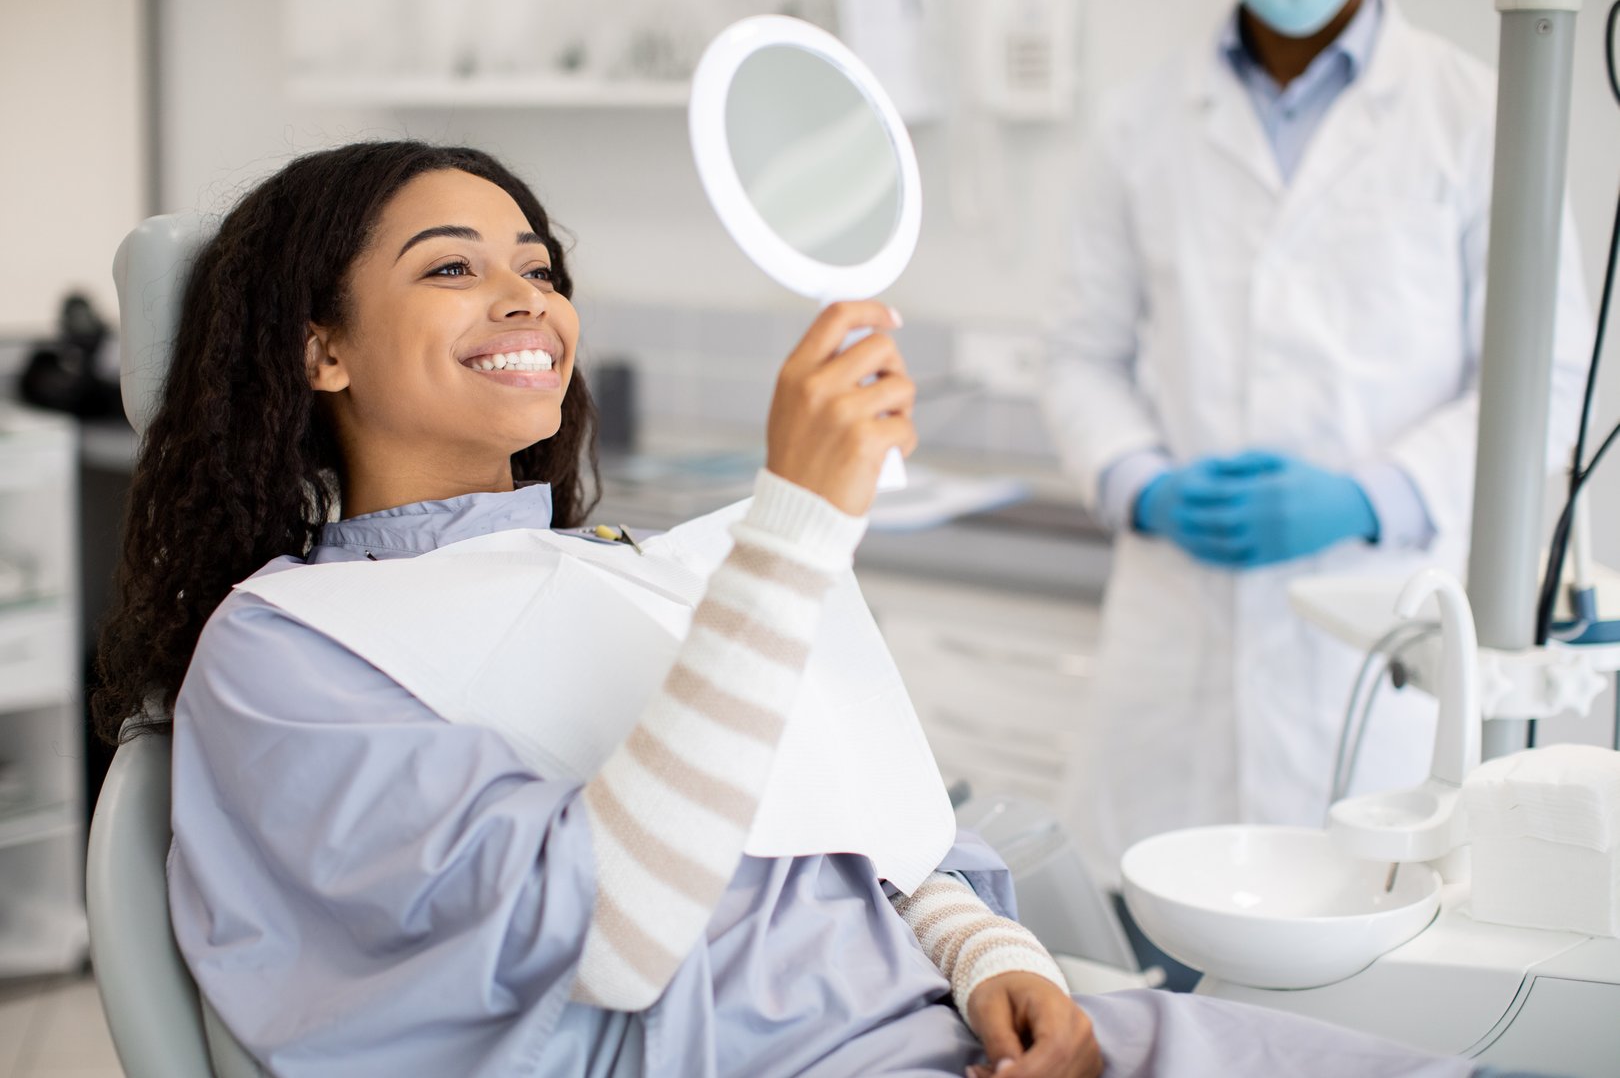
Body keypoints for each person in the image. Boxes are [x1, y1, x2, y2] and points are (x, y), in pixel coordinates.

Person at [95, 141, 1491, 1077]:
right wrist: (798, 525)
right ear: (318, 348)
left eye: (539, 263)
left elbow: (865, 824)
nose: (525, 295)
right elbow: (610, 928)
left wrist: (994, 958)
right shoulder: (284, 653)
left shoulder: (615, 566)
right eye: (452, 265)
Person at [1043, 0, 1591, 892]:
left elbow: (1549, 381)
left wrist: (1376, 498)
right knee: (1163, 982)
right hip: (1176, 661)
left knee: (1372, 957)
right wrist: (1141, 484)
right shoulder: (1138, 121)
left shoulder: (1480, 114)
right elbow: (1078, 356)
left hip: (1385, 652)